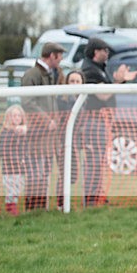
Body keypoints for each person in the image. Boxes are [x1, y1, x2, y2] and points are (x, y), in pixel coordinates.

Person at [80, 37, 137, 207]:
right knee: (94, 161)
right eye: (104, 50)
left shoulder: (99, 69)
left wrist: (120, 80)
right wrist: (119, 81)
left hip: (102, 121)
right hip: (94, 122)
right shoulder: (90, 70)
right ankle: (91, 199)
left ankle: (98, 196)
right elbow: (103, 95)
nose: (107, 54)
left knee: (100, 161)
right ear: (95, 51)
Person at [20, 42, 64, 211]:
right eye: (59, 56)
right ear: (52, 55)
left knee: (44, 173)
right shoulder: (32, 75)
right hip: (37, 134)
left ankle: (41, 208)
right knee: (35, 173)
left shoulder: (49, 74)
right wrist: (47, 120)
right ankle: (33, 209)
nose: (61, 60)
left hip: (48, 135)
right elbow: (28, 102)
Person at [54, 70, 85, 209]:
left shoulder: (84, 100)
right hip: (62, 141)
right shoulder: (62, 100)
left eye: (78, 81)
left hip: (75, 142)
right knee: (64, 173)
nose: (75, 84)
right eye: (72, 81)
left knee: (73, 175)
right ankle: (61, 203)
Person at [0, 104, 28, 216]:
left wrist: (24, 158)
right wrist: (18, 159)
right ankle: (11, 209)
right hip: (9, 168)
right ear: (9, 118)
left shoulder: (23, 132)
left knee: (19, 186)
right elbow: (5, 150)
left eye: (19, 115)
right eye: (14, 115)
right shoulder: (6, 132)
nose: (17, 118)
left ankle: (12, 206)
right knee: (11, 188)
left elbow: (24, 148)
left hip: (21, 167)